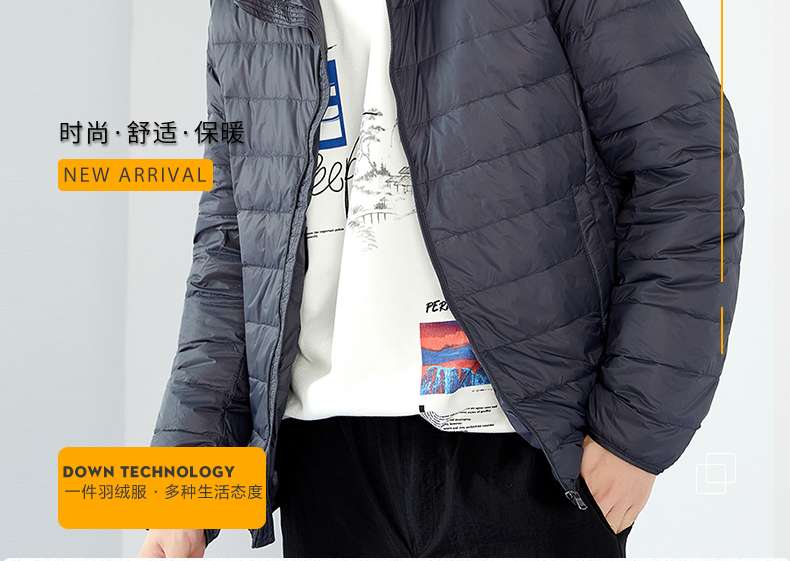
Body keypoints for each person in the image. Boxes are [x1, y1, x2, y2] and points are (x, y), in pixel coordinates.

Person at [140, 0, 744, 557]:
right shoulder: (246, 8)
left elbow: (690, 167)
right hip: (326, 465)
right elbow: (235, 242)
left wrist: (632, 433)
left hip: (523, 450)